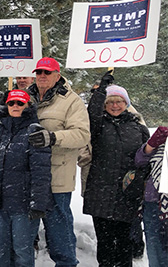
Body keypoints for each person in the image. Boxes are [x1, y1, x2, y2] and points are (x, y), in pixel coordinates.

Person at [0, 89, 52, 266]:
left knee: (22, 250)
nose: (15, 106)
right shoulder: (0, 131)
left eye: (20, 103)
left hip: (23, 205)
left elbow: (41, 172)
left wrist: (38, 202)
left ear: (27, 106)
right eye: (12, 103)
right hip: (1, 202)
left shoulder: (35, 132)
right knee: (0, 248)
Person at [26, 57, 90, 267]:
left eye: (47, 72)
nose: (42, 76)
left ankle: (66, 263)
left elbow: (81, 135)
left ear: (57, 75)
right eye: (39, 73)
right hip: (28, 176)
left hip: (57, 177)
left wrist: (53, 138)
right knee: (25, 232)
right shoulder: (27, 97)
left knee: (58, 230)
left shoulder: (71, 101)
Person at [84, 72, 149, 266]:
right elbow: (91, 115)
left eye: (119, 101)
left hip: (126, 195)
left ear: (126, 103)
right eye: (110, 101)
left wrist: (140, 178)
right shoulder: (97, 126)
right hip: (100, 194)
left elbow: (146, 158)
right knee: (104, 246)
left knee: (124, 246)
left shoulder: (138, 127)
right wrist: (100, 92)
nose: (114, 105)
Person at [135, 126, 168, 267]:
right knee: (155, 253)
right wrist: (151, 145)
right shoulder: (163, 137)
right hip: (153, 204)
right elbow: (139, 161)